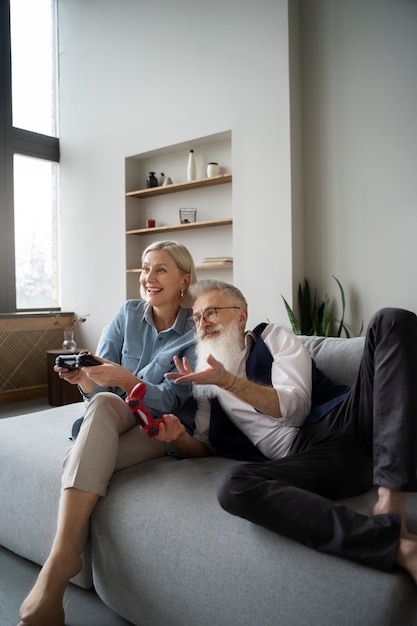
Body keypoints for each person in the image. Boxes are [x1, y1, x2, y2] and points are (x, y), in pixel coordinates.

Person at [159, 279, 417, 585]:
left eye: (212, 312)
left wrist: (227, 381)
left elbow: (294, 408)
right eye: (198, 318)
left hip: (346, 419)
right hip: (311, 459)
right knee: (234, 486)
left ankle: (391, 501)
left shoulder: (272, 337)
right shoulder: (205, 382)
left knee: (391, 319)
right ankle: (394, 546)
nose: (203, 323)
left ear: (241, 315)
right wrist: (179, 438)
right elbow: (204, 445)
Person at [18, 240, 197, 626]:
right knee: (100, 405)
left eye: (161, 269)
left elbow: (173, 399)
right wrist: (84, 380)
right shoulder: (128, 313)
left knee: (82, 455)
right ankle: (63, 557)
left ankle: (57, 568)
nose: (148, 277)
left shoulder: (195, 331)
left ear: (185, 279)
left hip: (158, 426)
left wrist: (127, 378)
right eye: (145, 269)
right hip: (114, 411)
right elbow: (99, 391)